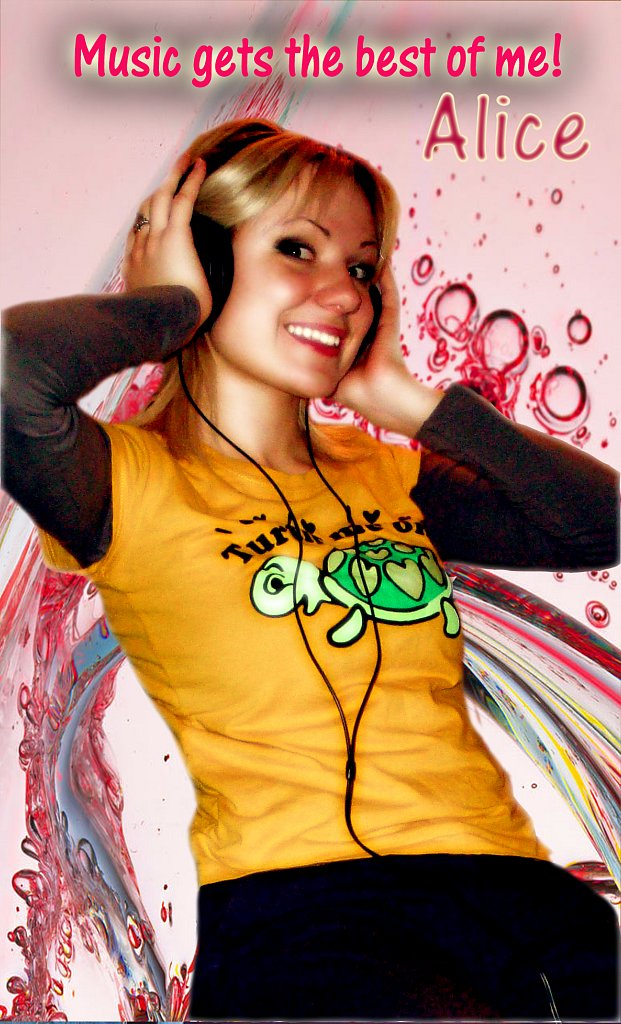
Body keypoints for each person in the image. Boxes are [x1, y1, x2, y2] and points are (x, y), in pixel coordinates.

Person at [2, 118, 618, 1021]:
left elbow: (600, 524)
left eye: (362, 268)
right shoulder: (120, 482)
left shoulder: (385, 474)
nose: (342, 294)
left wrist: (407, 401)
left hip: (512, 896)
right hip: (301, 915)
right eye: (298, 249)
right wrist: (167, 308)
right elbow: (12, 371)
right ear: (208, 263)